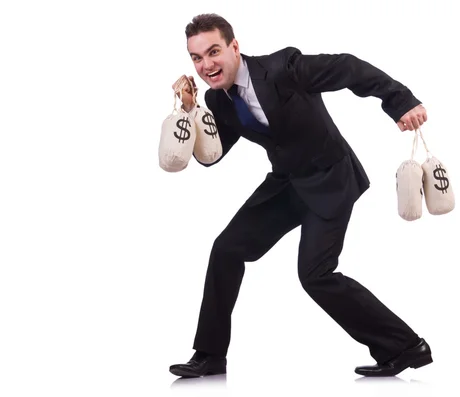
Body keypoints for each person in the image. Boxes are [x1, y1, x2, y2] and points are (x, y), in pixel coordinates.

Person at [168, 13, 433, 378]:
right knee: (226, 249)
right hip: (287, 183)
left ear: (234, 47)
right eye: (196, 58)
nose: (206, 65)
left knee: (315, 275)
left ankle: (405, 346)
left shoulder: (283, 68)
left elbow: (348, 68)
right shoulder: (218, 101)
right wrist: (189, 110)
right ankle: (210, 354)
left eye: (213, 52)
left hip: (330, 177)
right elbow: (210, 157)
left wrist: (400, 101)